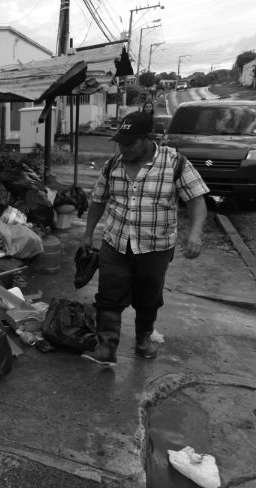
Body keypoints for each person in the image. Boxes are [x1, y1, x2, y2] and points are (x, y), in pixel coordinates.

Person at [80, 111, 209, 366]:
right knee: (108, 296)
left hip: (155, 247)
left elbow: (196, 200)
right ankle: (107, 346)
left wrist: (195, 233)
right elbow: (98, 201)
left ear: (148, 139)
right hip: (115, 243)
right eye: (120, 143)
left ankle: (143, 339)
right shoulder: (112, 165)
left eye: (129, 144)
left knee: (148, 298)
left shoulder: (176, 163)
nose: (123, 149)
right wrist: (88, 233)